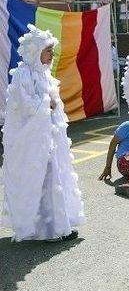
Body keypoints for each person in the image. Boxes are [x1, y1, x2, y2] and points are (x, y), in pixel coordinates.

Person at [1, 24, 85, 242]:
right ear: (35, 51)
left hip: (48, 139)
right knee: (40, 180)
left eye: (50, 51)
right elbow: (24, 104)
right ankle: (43, 229)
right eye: (47, 51)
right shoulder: (23, 74)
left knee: (52, 181)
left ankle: (57, 226)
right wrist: (47, 104)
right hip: (32, 141)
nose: (51, 55)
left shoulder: (44, 74)